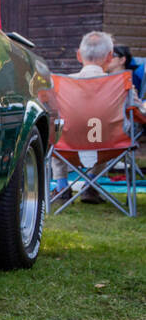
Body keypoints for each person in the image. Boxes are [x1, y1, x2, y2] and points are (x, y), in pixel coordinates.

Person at [52, 30, 117, 203]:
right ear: (110, 57)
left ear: (79, 56)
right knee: (103, 131)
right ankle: (90, 186)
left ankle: (61, 187)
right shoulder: (119, 84)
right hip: (108, 147)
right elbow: (137, 112)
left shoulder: (62, 84)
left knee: (58, 130)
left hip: (67, 146)